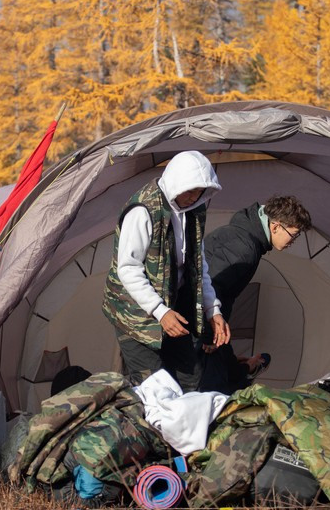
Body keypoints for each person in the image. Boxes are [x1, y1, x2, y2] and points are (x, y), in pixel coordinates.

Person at [101, 151, 231, 389]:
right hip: (135, 312)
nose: (193, 197)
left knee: (191, 377)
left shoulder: (194, 210)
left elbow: (198, 264)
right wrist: (160, 311)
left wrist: (213, 310)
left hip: (175, 303)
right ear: (176, 182)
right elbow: (128, 268)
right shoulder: (143, 210)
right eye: (189, 190)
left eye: (200, 191)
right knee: (154, 386)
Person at [199, 195, 312, 394]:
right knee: (216, 390)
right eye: (293, 235)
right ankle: (246, 370)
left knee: (227, 370)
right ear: (275, 226)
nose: (292, 242)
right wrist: (210, 336)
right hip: (201, 327)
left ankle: (244, 367)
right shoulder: (244, 248)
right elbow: (212, 287)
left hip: (207, 324)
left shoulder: (241, 235)